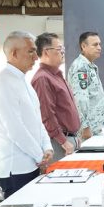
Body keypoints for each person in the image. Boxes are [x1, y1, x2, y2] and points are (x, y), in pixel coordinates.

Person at [0, 32, 53, 198]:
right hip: (16, 169)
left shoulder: (23, 81)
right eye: (31, 51)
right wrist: (39, 155)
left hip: (32, 163)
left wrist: (47, 147)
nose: (36, 57)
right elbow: (15, 128)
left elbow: (37, 120)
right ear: (14, 53)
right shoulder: (3, 81)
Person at [31, 33, 82, 163]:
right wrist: (63, 141)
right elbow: (46, 115)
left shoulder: (56, 75)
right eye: (59, 49)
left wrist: (75, 137)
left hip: (70, 139)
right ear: (46, 52)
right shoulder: (42, 78)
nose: (63, 52)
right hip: (59, 143)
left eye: (62, 48)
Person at [68, 31, 104, 138]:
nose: (99, 48)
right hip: (87, 131)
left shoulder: (89, 66)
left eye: (99, 44)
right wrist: (85, 127)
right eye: (95, 45)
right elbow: (80, 99)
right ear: (84, 46)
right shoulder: (81, 67)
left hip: (95, 128)